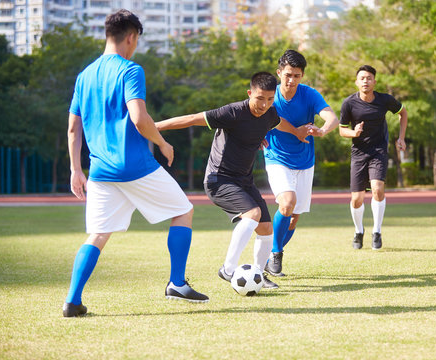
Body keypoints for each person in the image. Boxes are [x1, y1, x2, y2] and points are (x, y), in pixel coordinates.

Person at [64, 9, 208, 318]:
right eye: (137, 41)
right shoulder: (130, 70)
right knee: (184, 211)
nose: (136, 46)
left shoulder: (84, 76)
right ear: (131, 37)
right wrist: (162, 142)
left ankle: (72, 301)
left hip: (100, 170)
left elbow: (73, 128)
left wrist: (77, 170)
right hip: (134, 166)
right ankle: (177, 283)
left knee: (98, 235)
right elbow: (139, 118)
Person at [155, 72, 311, 290]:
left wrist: (292, 132)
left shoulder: (269, 114)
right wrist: (152, 127)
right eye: (259, 98)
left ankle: (258, 274)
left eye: (269, 99)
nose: (264, 104)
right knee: (253, 215)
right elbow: (191, 119)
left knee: (266, 229)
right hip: (219, 179)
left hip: (244, 181)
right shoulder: (232, 112)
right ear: (249, 93)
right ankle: (228, 269)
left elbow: (278, 121)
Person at [263, 50, 340, 277]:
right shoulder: (270, 95)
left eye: (297, 75)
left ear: (302, 76)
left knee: (294, 216)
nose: (291, 80)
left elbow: (331, 117)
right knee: (287, 203)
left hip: (305, 161)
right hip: (277, 158)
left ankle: (270, 256)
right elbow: (265, 117)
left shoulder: (309, 94)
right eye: (288, 74)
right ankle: (276, 253)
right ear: (279, 73)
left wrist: (324, 130)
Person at [339, 64, 408, 250]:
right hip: (358, 153)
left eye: (369, 78)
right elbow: (341, 130)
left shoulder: (384, 100)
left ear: (374, 81)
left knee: (377, 189)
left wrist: (401, 138)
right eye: (362, 78)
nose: (365, 81)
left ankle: (376, 232)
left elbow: (403, 113)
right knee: (357, 198)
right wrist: (354, 133)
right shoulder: (349, 103)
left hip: (378, 151)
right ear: (356, 82)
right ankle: (358, 231)